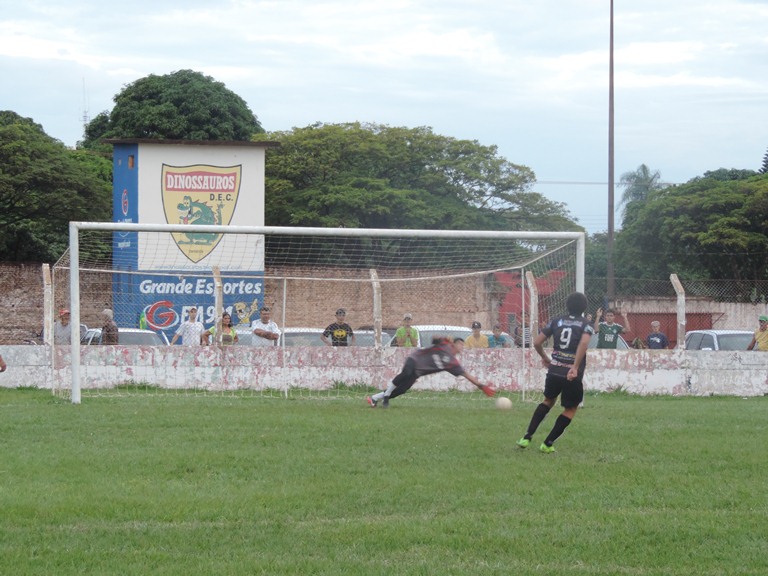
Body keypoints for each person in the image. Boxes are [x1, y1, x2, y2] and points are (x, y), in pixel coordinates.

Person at [516, 292, 593, 454]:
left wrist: (545, 357)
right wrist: (575, 366)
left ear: (567, 305)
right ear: (584, 307)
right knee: (570, 409)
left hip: (554, 370)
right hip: (570, 374)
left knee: (547, 401)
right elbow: (584, 343)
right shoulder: (586, 324)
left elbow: (537, 342)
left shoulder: (556, 321)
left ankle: (527, 436)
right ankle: (547, 443)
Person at [366, 336, 495, 407]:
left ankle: (374, 398)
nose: (462, 346)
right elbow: (434, 338)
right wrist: (441, 338)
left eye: (463, 344)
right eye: (460, 343)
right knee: (405, 373)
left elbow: (467, 375)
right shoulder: (445, 344)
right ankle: (386, 397)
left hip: (418, 372)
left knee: (402, 390)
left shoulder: (453, 364)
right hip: (414, 359)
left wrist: (482, 387)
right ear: (454, 344)